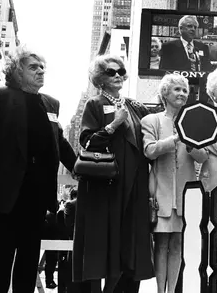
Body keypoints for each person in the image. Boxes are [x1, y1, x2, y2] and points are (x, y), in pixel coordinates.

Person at [0, 46, 77, 293]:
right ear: (17, 72)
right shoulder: (1, 96)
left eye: (43, 67)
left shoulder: (51, 104)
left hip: (37, 197)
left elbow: (59, 142)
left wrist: (78, 168)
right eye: (34, 67)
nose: (41, 71)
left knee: (28, 263)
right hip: (6, 195)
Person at [72, 54, 154, 293]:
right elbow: (87, 143)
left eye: (120, 71)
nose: (117, 75)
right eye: (110, 72)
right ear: (100, 78)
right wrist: (113, 125)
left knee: (132, 240)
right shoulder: (95, 104)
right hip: (106, 185)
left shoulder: (135, 105)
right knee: (105, 241)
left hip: (136, 183)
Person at [141, 74, 209, 293]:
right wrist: (175, 139)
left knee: (179, 244)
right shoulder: (151, 120)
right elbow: (149, 151)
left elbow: (203, 157)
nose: (182, 94)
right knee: (160, 245)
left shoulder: (196, 123)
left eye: (184, 90)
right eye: (177, 89)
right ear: (165, 93)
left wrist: (191, 145)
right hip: (160, 192)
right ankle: (160, 290)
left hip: (185, 193)